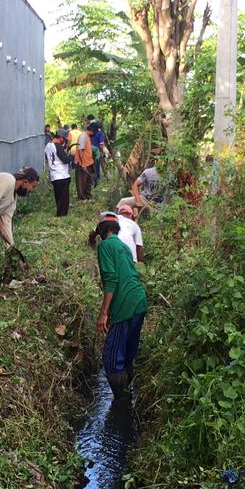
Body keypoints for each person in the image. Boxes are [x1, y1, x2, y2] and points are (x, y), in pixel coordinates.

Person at [89, 217, 148, 396]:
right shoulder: (123, 246)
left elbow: (112, 279)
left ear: (103, 232)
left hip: (125, 305)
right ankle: (128, 394)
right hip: (139, 300)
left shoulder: (105, 246)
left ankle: (121, 401)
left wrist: (103, 313)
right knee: (128, 352)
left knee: (112, 358)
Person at [44, 132, 73, 217]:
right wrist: (71, 156)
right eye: (63, 139)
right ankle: (62, 215)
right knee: (64, 198)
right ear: (61, 138)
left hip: (54, 175)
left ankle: (59, 213)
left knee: (58, 197)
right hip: (62, 175)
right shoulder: (58, 146)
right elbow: (65, 160)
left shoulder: (47, 146)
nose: (63, 142)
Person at [74, 124, 96, 200]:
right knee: (81, 181)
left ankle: (87, 196)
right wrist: (83, 163)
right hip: (82, 163)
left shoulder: (87, 136)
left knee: (88, 181)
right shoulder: (83, 136)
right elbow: (80, 150)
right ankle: (82, 198)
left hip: (88, 162)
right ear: (92, 130)